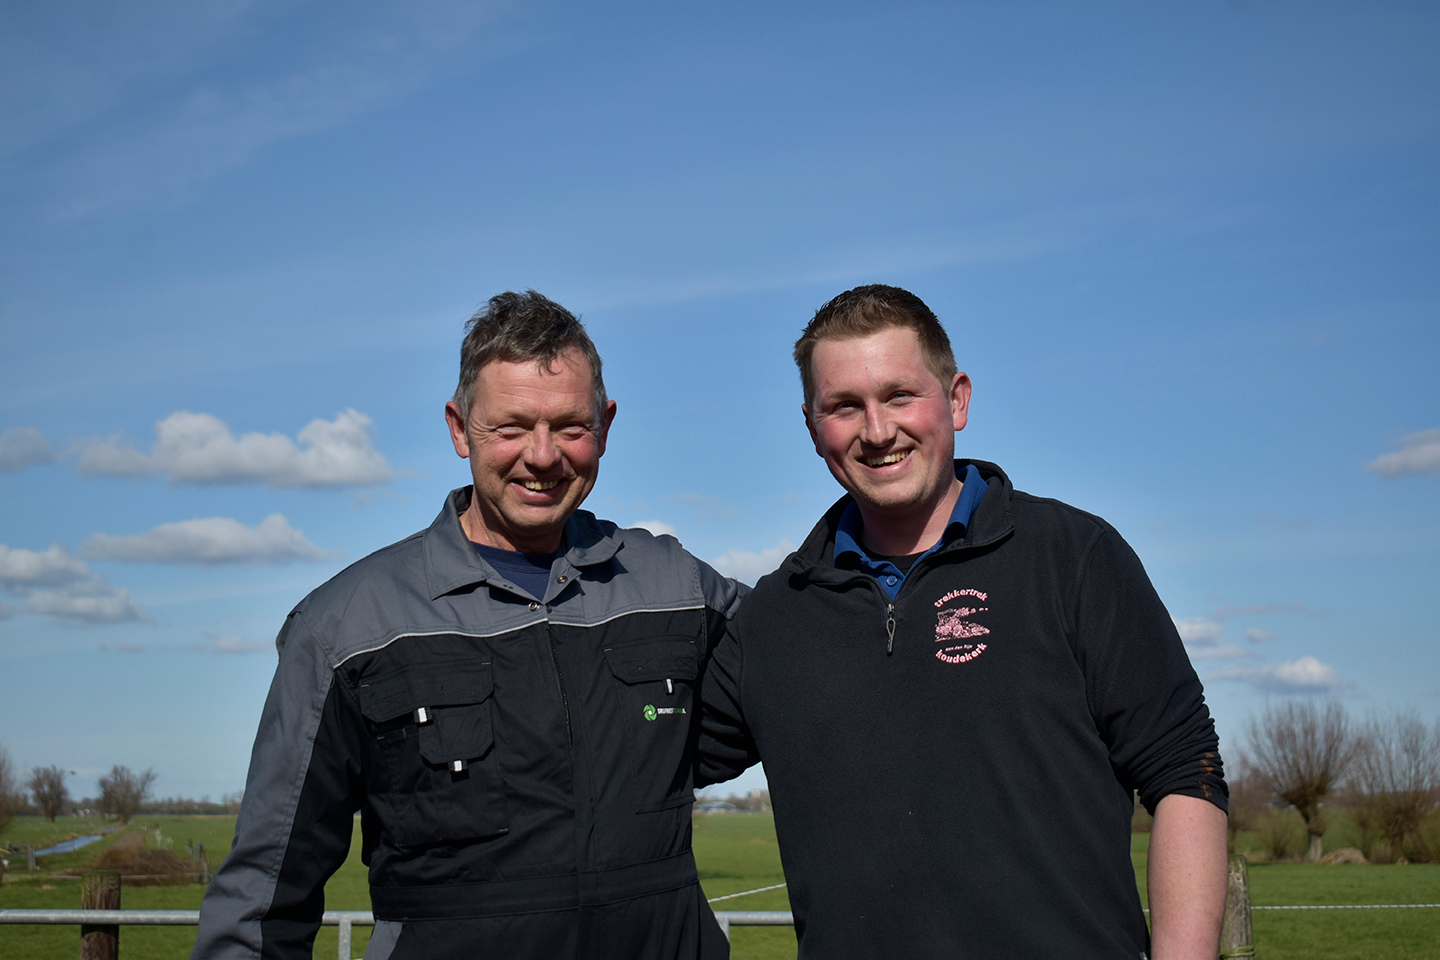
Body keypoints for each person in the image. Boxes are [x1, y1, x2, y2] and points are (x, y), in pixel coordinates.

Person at [193, 291, 739, 960]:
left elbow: (825, 652)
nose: (541, 457)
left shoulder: (678, 587)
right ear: (458, 429)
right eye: (510, 427)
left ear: (606, 424)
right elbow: (264, 897)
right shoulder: (347, 625)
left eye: (570, 426)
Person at [698, 284, 1228, 960]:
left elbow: (1186, 771)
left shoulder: (1073, 558)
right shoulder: (775, 616)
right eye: (844, 407)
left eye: (899, 395)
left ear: (957, 399)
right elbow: (638, 762)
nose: (878, 430)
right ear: (811, 426)